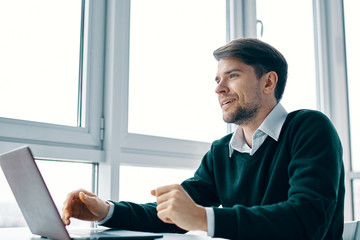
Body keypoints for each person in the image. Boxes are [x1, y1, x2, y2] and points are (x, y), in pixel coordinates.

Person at [62, 38, 345, 240]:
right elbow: (174, 213)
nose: (219, 89)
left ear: (269, 82)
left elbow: (306, 219)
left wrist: (201, 218)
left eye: (232, 75)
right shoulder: (221, 152)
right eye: (217, 80)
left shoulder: (308, 128)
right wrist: (106, 211)